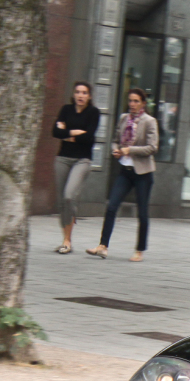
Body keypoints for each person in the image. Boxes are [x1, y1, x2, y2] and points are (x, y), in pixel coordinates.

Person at [89, 88, 158, 262]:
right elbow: (115, 140)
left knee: (142, 213)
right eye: (130, 101)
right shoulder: (123, 118)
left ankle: (139, 250)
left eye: (136, 101)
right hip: (125, 171)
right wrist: (116, 150)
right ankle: (103, 246)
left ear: (143, 103)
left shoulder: (149, 121)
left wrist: (130, 150)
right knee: (111, 206)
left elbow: (152, 147)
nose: (132, 104)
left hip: (143, 172)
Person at [52, 81, 100, 254]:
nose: (81, 95)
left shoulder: (93, 113)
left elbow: (89, 138)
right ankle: (66, 240)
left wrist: (67, 132)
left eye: (84, 92)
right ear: (73, 95)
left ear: (89, 96)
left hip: (82, 160)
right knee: (61, 202)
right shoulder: (66, 110)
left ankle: (67, 239)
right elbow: (55, 133)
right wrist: (76, 132)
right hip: (62, 159)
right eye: (78, 92)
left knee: (69, 196)